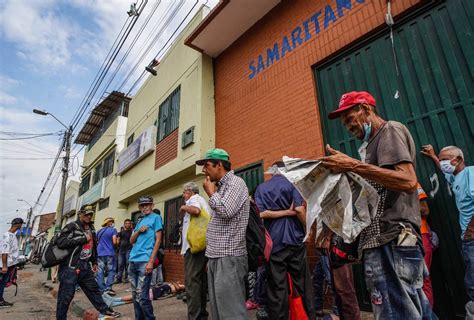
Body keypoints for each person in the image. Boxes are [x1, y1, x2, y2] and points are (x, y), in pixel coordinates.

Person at [322, 91, 435, 319]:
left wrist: (352, 166)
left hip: (390, 240)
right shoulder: (371, 145)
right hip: (390, 242)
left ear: (366, 109)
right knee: (417, 312)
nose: (348, 126)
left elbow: (408, 180)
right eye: (344, 123)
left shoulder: (389, 130)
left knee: (395, 313)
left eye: (349, 118)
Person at [254, 161, 315, 319]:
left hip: (274, 244)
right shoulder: (293, 184)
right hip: (295, 240)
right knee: (302, 283)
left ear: (273, 172)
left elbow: (260, 214)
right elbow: (300, 209)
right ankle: (309, 316)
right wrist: (309, 230)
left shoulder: (261, 188)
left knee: (276, 288)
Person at [195, 148, 250, 320]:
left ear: (219, 165)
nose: (204, 170)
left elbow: (226, 210)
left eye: (207, 165)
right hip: (217, 257)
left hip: (229, 256)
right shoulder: (222, 187)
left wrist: (210, 193)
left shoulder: (235, 183)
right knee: (219, 311)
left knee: (231, 312)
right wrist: (210, 257)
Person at [422, 144, 474, 316]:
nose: (443, 163)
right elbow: (445, 172)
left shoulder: (470, 173)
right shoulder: (456, 177)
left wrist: (471, 231)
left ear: (458, 160)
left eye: (446, 159)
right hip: (467, 240)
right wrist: (433, 156)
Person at [56, 208, 120, 318]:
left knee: (94, 290)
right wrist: (82, 238)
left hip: (85, 266)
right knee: (65, 296)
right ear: (80, 214)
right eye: (86, 214)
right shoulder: (72, 226)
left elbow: (93, 245)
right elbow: (60, 242)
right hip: (70, 267)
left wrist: (94, 261)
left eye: (90, 214)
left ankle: (105, 310)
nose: (89, 216)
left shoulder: (91, 228)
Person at [179, 181, 211, 320]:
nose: (183, 195)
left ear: (190, 191)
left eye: (184, 192)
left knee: (192, 283)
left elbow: (196, 211)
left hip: (194, 248)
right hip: (200, 247)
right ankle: (201, 315)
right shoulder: (200, 199)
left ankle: (195, 317)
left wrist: (183, 207)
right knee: (199, 282)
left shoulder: (195, 199)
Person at [129, 196, 163, 320]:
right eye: (142, 206)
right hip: (133, 260)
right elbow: (131, 240)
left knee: (143, 297)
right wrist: (138, 231)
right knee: (135, 296)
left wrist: (151, 261)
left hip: (145, 260)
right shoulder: (139, 221)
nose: (145, 208)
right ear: (140, 208)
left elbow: (158, 240)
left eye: (147, 205)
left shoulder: (156, 218)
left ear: (152, 205)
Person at [416, 182, 434, 306]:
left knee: (423, 278)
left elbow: (425, 210)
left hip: (420, 235)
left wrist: (402, 208)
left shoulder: (413, 184)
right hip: (399, 239)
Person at [0, 217, 24, 307]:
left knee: (3, 282)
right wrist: (5, 266)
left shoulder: (12, 235)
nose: (21, 226)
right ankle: (0, 301)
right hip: (6, 264)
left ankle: (0, 299)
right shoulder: (8, 236)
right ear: (18, 224)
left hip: (10, 264)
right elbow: (4, 252)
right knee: (1, 283)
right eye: (21, 224)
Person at [96, 217, 118, 295]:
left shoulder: (99, 231)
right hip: (110, 253)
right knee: (111, 270)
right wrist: (115, 246)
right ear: (110, 223)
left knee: (100, 270)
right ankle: (108, 288)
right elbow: (114, 242)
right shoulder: (113, 230)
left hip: (99, 253)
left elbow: (97, 241)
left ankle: (101, 289)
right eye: (112, 222)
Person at [116, 219, 133, 284]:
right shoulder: (121, 232)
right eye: (126, 223)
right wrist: (117, 244)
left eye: (129, 223)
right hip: (121, 250)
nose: (127, 224)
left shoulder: (132, 232)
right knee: (120, 264)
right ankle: (118, 278)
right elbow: (118, 240)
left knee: (127, 264)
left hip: (129, 249)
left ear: (130, 224)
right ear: (124, 224)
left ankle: (126, 278)